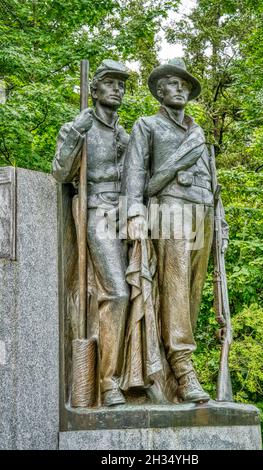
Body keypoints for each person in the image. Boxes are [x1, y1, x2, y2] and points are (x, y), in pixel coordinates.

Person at [122, 58, 229, 403]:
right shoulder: (148, 125)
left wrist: (221, 224)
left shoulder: (200, 134)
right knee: (176, 290)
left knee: (192, 295)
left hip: (203, 214)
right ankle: (183, 369)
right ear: (159, 91)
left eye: (184, 84)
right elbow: (135, 173)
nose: (180, 88)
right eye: (172, 83)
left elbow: (214, 186)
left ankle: (179, 363)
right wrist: (134, 214)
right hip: (170, 210)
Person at [52, 59, 130, 406]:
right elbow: (60, 173)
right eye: (111, 83)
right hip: (95, 211)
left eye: (122, 84)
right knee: (117, 293)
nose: (118, 89)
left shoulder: (125, 136)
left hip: (127, 217)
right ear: (94, 89)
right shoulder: (80, 127)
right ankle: (108, 380)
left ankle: (137, 375)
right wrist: (75, 131)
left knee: (142, 290)